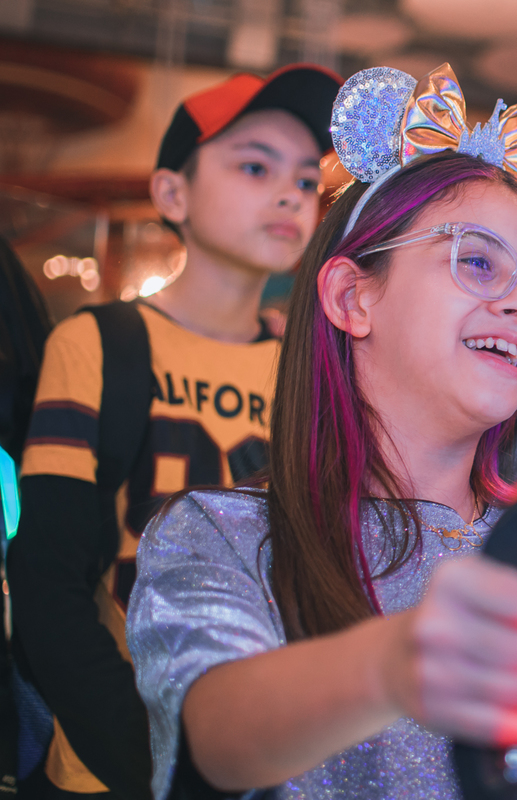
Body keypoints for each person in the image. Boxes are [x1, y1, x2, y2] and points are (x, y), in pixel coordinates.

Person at [125, 64, 517, 800]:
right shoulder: (219, 535)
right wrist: (392, 664)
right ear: (351, 296)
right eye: (479, 262)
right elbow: (218, 737)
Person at [7, 64, 341, 799]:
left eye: (306, 180)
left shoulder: (308, 374)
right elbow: (49, 583)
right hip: (106, 764)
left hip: (261, 756)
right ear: (171, 192)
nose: (289, 192)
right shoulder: (97, 344)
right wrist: (150, 763)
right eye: (254, 165)